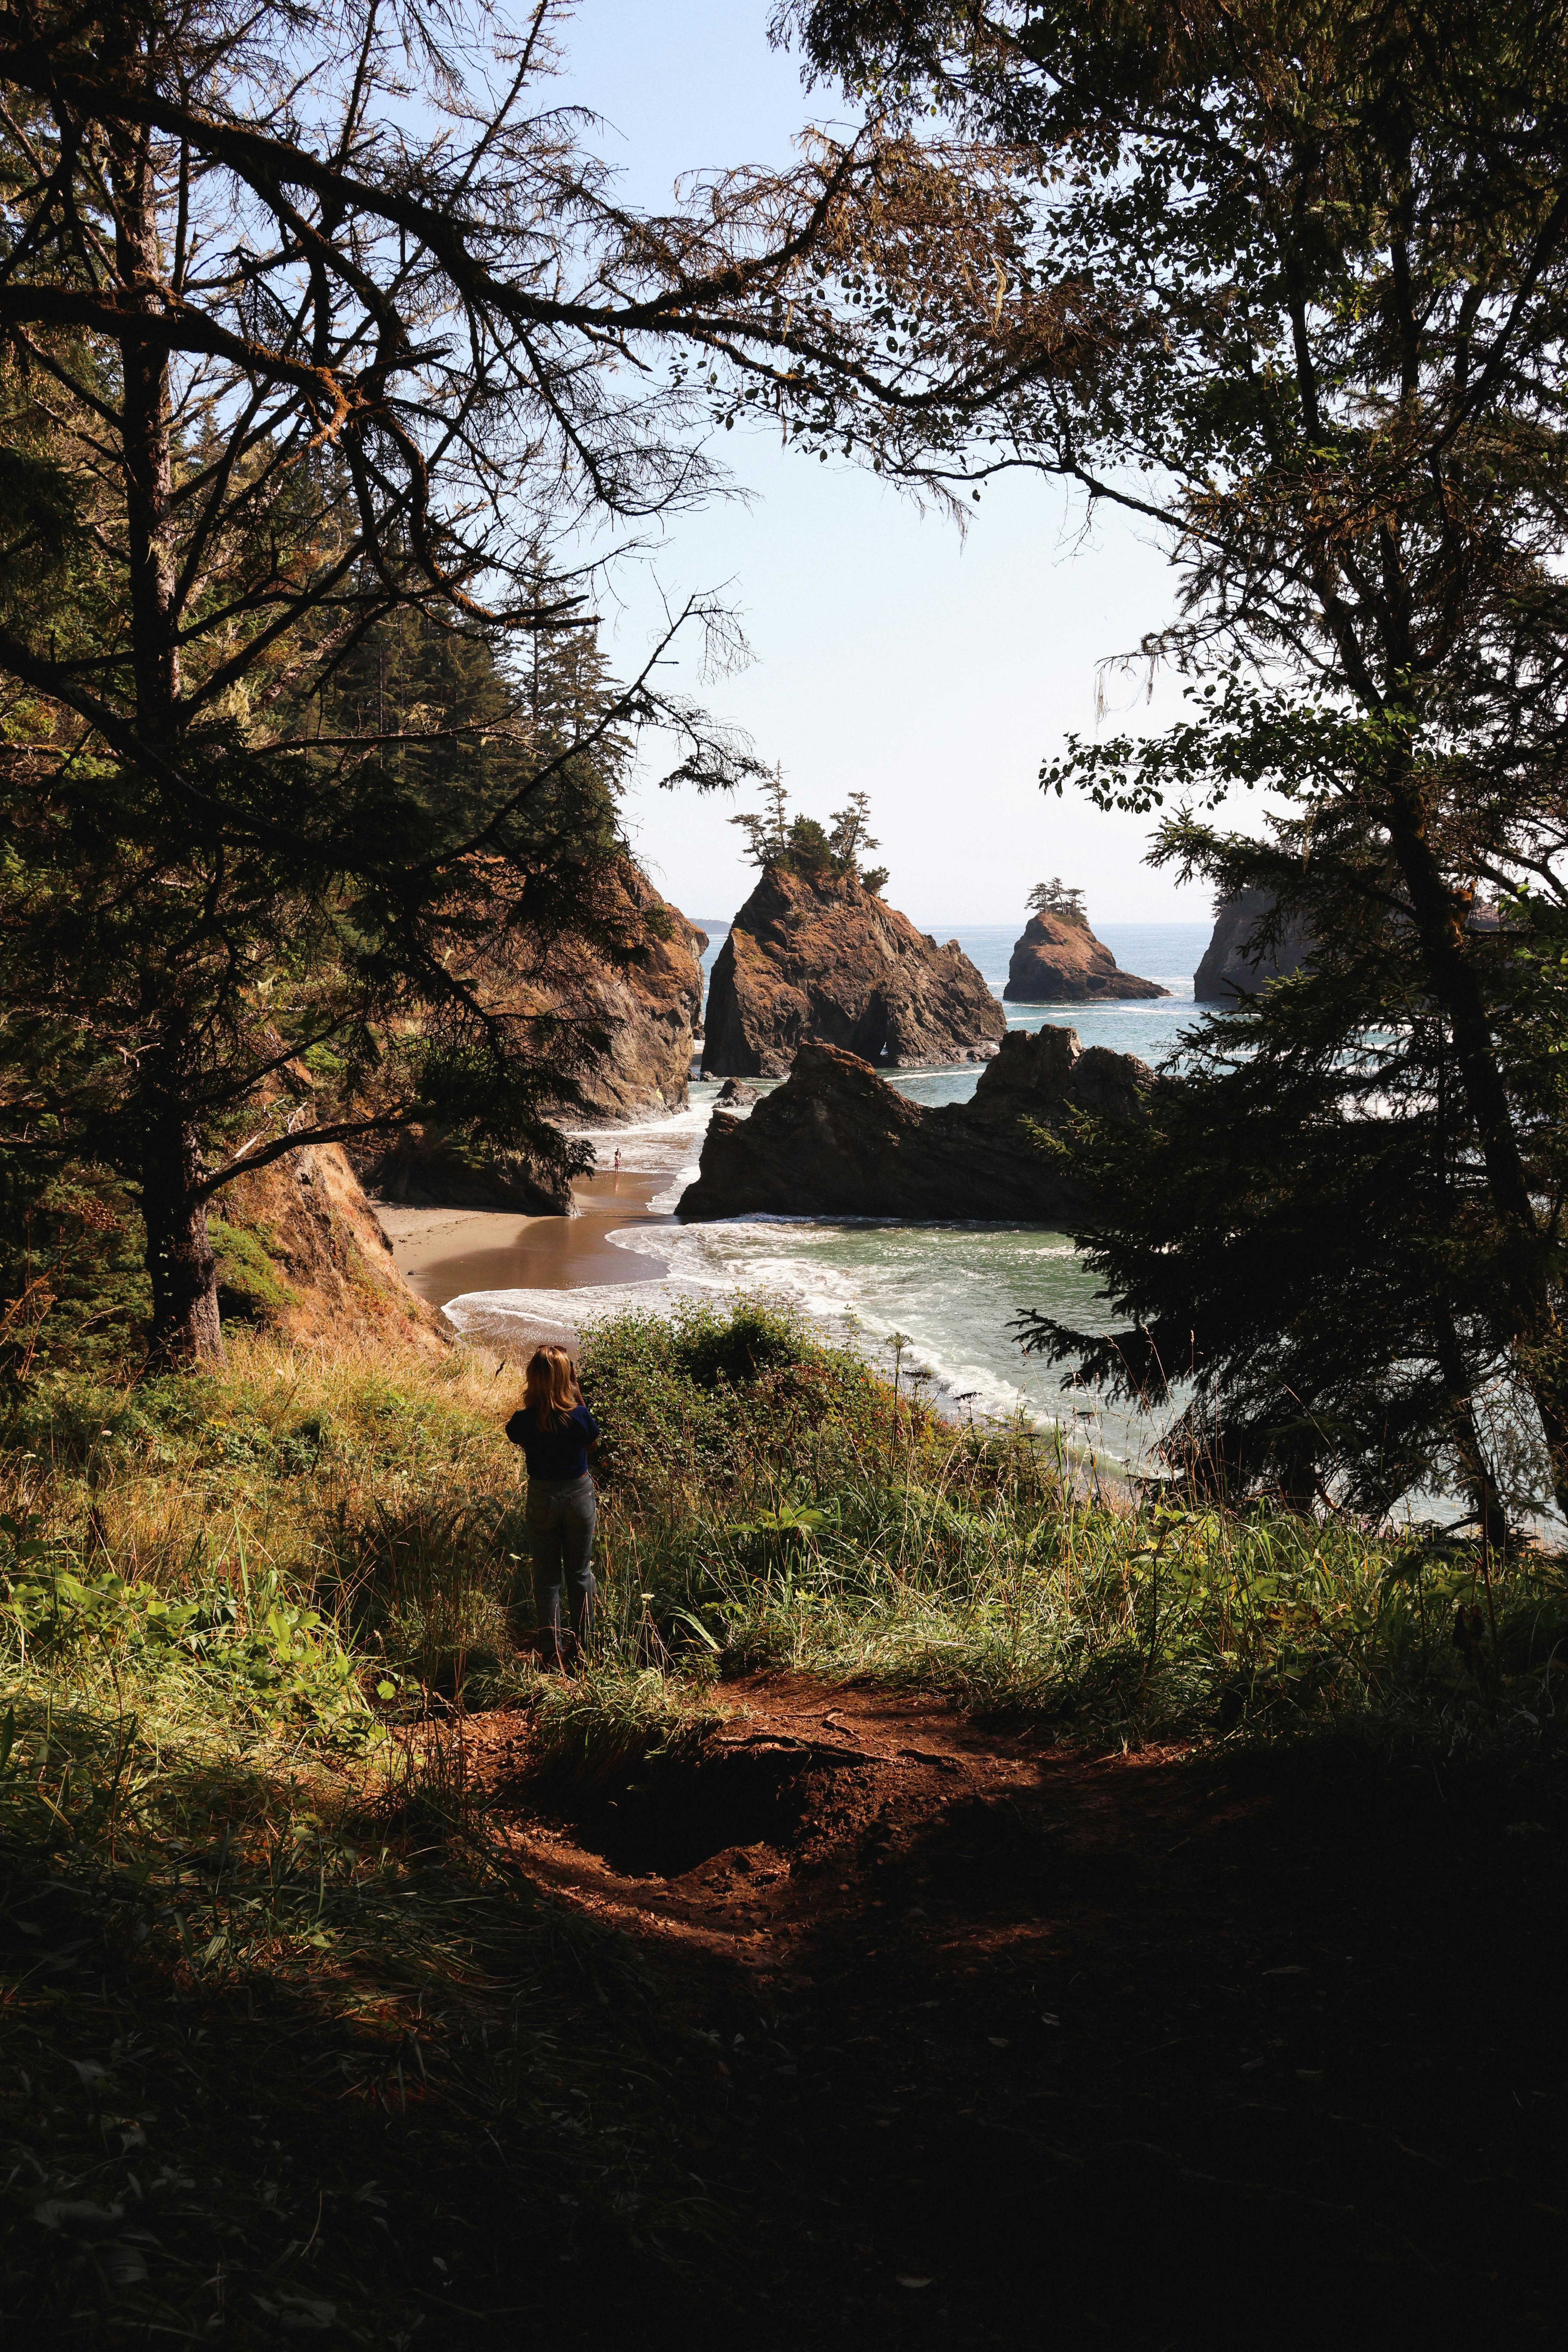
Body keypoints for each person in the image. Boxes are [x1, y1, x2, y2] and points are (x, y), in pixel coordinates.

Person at [505, 1345, 601, 1669]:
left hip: (542, 1497)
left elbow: (517, 1433)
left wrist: (537, 1399)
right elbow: (592, 1441)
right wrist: (577, 1393)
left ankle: (551, 1653)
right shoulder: (579, 1417)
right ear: (566, 1378)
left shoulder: (524, 1421)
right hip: (578, 1496)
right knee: (580, 1572)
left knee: (547, 1576)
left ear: (534, 1377)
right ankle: (586, 1648)